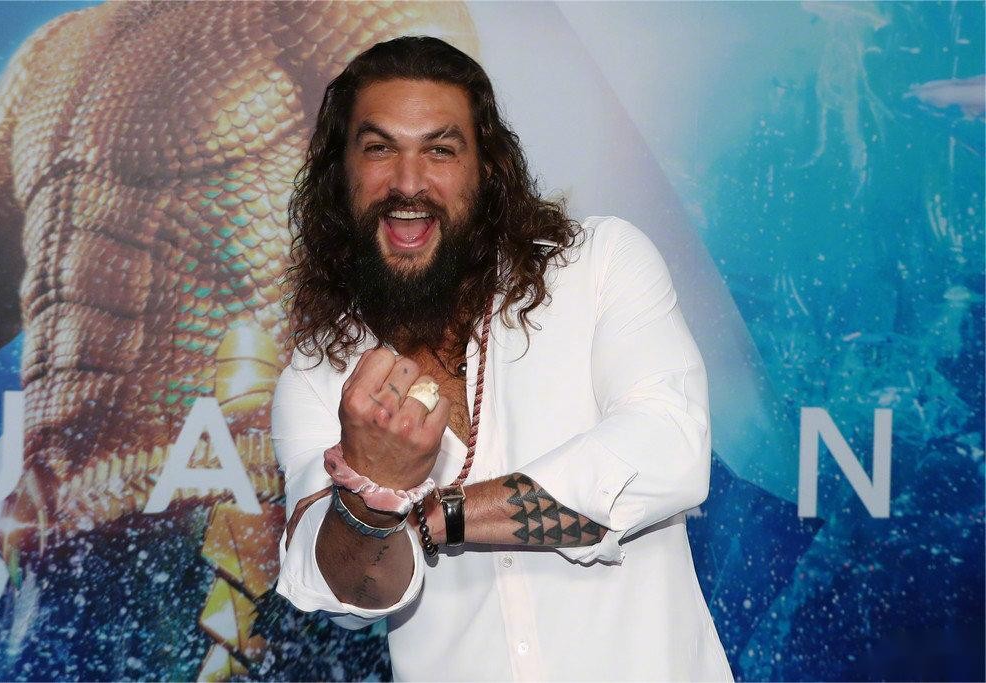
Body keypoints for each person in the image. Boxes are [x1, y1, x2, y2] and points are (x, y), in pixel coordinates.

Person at [274, 36, 733, 681]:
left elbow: (669, 450)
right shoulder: (319, 375)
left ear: (487, 168)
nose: (408, 182)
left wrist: (434, 517)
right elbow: (349, 595)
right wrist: (370, 502)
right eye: (379, 149)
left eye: (440, 149)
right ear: (339, 173)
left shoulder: (598, 267)